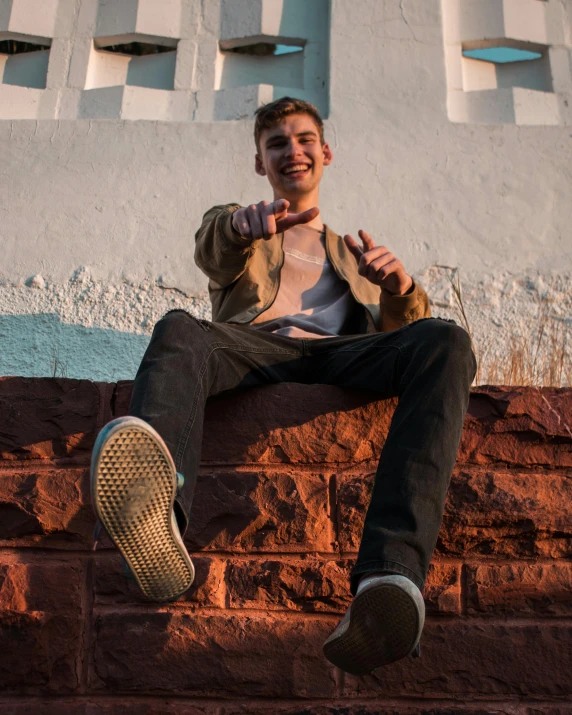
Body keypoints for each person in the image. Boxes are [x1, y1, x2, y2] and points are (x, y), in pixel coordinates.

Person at [90, 96, 476, 676]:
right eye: (276, 144)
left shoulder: (352, 251)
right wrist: (240, 225)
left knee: (446, 341)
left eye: (302, 140)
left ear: (325, 153)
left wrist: (398, 287)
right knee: (179, 329)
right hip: (254, 349)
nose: (291, 151)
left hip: (344, 356)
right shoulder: (245, 222)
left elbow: (404, 335)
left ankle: (389, 575)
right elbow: (213, 245)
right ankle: (157, 522)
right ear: (259, 163)